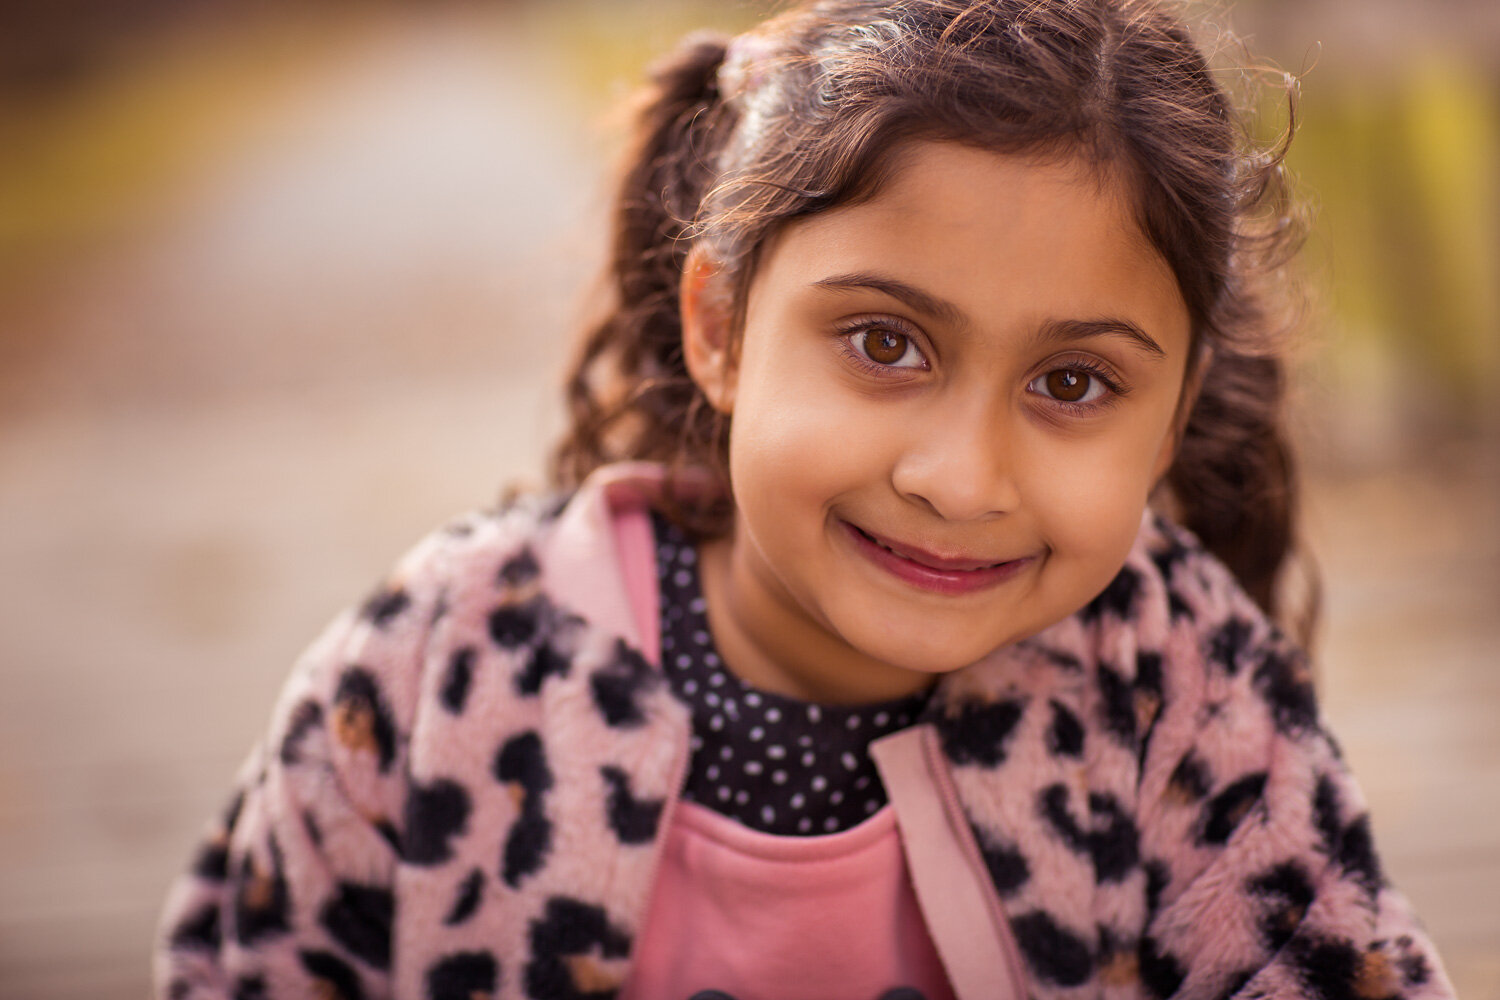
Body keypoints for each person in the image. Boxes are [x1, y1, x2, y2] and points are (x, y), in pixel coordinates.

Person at [153, 1, 1455, 998]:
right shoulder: (446, 664)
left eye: (1072, 380)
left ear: (1174, 413)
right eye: (886, 344)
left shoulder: (1179, 687)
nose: (958, 476)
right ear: (721, 327)